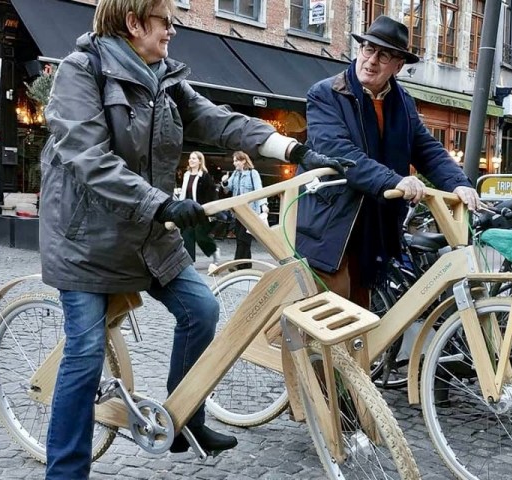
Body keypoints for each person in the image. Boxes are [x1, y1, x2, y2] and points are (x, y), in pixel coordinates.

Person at [38, 0, 352, 477]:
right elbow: (89, 159)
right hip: (88, 237)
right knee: (83, 353)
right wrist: (162, 204)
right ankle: (65, 471)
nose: (173, 31)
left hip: (147, 231)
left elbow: (216, 120)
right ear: (134, 22)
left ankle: (186, 419)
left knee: (201, 308)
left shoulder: (162, 78)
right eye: (166, 21)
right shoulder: (81, 73)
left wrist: (292, 148)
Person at [296, 15, 480, 309]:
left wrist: (459, 184)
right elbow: (338, 152)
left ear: (398, 66)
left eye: (384, 55)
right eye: (368, 49)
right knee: (329, 311)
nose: (371, 61)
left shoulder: (402, 102)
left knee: (361, 310)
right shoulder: (327, 93)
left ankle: (356, 357)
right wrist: (394, 180)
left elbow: (426, 149)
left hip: (374, 224)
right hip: (331, 223)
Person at [220, 151, 267, 269]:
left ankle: (237, 263)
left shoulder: (253, 173)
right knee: (242, 239)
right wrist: (224, 181)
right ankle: (246, 265)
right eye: (234, 160)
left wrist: (263, 205)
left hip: (250, 211)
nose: (234, 163)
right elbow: (228, 188)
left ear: (243, 161)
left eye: (236, 160)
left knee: (243, 238)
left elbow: (259, 190)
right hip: (238, 212)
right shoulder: (235, 174)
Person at [177, 151, 221, 265]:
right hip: (187, 210)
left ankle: (214, 250)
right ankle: (189, 263)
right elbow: (184, 192)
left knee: (200, 235)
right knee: (186, 236)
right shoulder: (186, 175)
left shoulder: (205, 176)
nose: (191, 160)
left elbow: (211, 194)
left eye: (194, 159)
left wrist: (209, 209)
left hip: (200, 211)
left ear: (200, 161)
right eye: (190, 158)